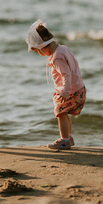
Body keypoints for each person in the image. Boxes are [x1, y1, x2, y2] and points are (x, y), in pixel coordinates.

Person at [26, 19, 86, 150]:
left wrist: (64, 91)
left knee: (60, 112)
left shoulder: (57, 57)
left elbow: (66, 75)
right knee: (63, 113)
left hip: (70, 90)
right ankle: (68, 138)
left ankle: (64, 140)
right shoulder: (63, 49)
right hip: (78, 87)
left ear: (42, 47)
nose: (41, 55)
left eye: (38, 51)